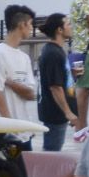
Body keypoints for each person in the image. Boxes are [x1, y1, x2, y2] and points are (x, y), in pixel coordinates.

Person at [0, 5, 39, 124]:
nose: (31, 28)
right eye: (30, 24)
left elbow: (30, 94)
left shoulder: (25, 58)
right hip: (1, 128)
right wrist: (10, 125)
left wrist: (10, 83)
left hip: (22, 127)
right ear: (22, 24)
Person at [37, 13, 81, 152]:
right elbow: (55, 87)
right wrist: (68, 113)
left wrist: (70, 73)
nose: (71, 27)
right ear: (59, 30)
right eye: (68, 24)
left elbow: (56, 79)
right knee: (52, 152)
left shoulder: (55, 51)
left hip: (57, 112)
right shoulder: (53, 53)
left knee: (53, 150)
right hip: (55, 113)